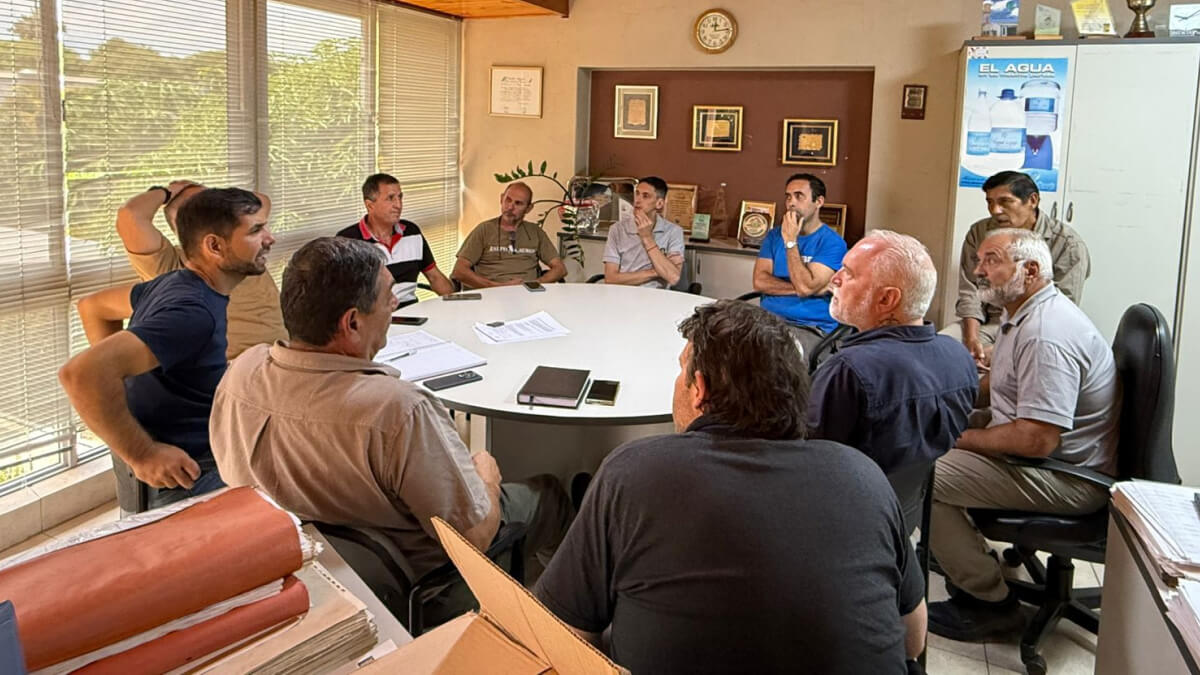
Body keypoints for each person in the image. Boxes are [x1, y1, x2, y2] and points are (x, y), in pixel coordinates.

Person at [535, 299, 926, 674]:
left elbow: (564, 635)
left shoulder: (632, 473)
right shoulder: (863, 476)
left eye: (681, 370)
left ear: (699, 389)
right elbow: (912, 639)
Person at [211, 236, 572, 626]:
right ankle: (558, 616)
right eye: (388, 297)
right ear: (352, 323)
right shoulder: (397, 410)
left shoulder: (242, 373)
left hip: (298, 567)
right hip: (414, 586)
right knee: (550, 493)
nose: (396, 302)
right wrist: (486, 477)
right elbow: (474, 538)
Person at [927, 229, 1119, 642]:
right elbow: (1003, 385)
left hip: (1067, 475)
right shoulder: (1025, 312)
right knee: (931, 442)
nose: (979, 271)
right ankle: (961, 552)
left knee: (927, 472)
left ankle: (990, 603)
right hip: (1046, 458)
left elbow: (1036, 439)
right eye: (980, 261)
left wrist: (953, 435)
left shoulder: (1047, 333)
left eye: (991, 261)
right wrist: (940, 397)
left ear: (1030, 270)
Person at [59, 187, 275, 508]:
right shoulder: (193, 313)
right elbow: (81, 374)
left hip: (186, 451)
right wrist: (143, 453)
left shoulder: (175, 282)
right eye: (256, 230)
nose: (270, 238)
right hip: (189, 471)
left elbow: (93, 306)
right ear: (213, 245)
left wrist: (128, 379)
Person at [808, 229, 978, 478]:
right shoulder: (958, 356)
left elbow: (812, 464)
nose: (835, 279)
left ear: (887, 299)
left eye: (849, 273)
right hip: (907, 510)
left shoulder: (849, 370)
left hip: (850, 507)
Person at [117, 180, 285, 359]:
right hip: (236, 372)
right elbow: (130, 215)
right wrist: (167, 192)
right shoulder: (169, 265)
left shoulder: (243, 244)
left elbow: (261, 201)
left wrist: (213, 195)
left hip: (282, 356)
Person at [943, 171, 1090, 368]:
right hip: (989, 323)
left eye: (1005, 202)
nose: (995, 210)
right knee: (940, 348)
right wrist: (972, 340)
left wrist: (1003, 349)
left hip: (1035, 328)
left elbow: (1060, 311)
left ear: (1033, 200)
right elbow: (970, 290)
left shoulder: (1068, 245)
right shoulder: (979, 232)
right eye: (990, 202)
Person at [753, 173, 848, 357]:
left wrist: (790, 241)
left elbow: (805, 287)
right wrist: (812, 288)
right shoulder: (774, 236)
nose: (791, 202)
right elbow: (759, 282)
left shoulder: (832, 243)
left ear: (818, 201)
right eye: (788, 196)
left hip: (810, 327)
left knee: (771, 359)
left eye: (799, 196)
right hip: (768, 321)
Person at [336, 173, 454, 306]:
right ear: (370, 205)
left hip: (412, 314)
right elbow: (340, 296)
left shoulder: (412, 232)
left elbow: (434, 277)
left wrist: (456, 305)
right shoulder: (348, 241)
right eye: (390, 198)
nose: (398, 205)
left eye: (400, 197)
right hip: (371, 319)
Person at [453, 182, 567, 288]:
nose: (510, 207)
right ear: (501, 199)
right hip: (492, 294)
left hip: (527, 296)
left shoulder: (535, 232)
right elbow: (459, 271)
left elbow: (560, 269)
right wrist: (497, 287)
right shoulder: (484, 230)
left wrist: (534, 284)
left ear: (528, 208)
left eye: (518, 203)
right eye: (508, 200)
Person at [601, 176, 685, 288]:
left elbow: (673, 277)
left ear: (659, 204)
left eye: (645, 196)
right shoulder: (617, 229)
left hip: (657, 297)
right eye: (637, 194)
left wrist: (647, 238)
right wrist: (657, 271)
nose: (637, 200)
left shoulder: (674, 232)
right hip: (623, 294)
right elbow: (611, 279)